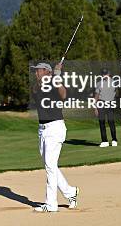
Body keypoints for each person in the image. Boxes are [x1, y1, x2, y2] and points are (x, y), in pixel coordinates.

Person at [30, 62, 79, 213]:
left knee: (50, 166)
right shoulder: (37, 87)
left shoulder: (55, 83)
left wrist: (57, 76)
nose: (35, 73)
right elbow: (36, 89)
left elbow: (63, 95)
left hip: (55, 128)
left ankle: (51, 204)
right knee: (50, 165)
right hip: (42, 130)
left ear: (45, 71)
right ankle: (70, 192)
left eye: (38, 70)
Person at [95, 68, 118, 147]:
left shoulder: (114, 82)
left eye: (105, 74)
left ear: (109, 73)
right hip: (101, 103)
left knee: (111, 121)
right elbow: (97, 95)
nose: (104, 75)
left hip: (110, 103)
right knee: (102, 122)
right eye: (103, 74)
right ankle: (104, 141)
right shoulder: (99, 83)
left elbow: (119, 92)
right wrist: (95, 107)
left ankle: (114, 139)